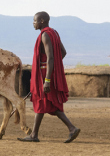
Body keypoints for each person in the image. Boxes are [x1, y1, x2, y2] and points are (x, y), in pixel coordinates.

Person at [18, 11, 81, 143]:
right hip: (48, 72)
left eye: (34, 21)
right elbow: (63, 52)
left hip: (44, 75)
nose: (33, 23)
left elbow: (51, 57)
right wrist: (54, 67)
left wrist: (47, 79)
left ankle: (71, 128)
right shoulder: (54, 33)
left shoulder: (45, 35)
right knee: (47, 102)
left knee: (43, 101)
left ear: (42, 21)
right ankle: (35, 135)